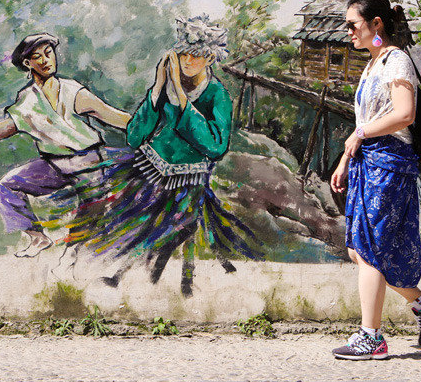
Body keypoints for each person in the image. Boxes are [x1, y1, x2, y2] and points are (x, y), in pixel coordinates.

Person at [43, 15, 264, 296]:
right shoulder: (167, 87)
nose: (187, 61)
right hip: (147, 170)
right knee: (118, 217)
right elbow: (135, 135)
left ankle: (181, 286)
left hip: (189, 182)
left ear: (209, 58)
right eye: (183, 54)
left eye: (196, 56)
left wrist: (183, 102)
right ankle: (93, 270)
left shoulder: (216, 94)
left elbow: (216, 146)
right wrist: (158, 87)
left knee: (173, 231)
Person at [0, 33, 130, 256]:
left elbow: (113, 116)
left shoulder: (71, 90)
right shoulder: (28, 99)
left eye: (49, 53)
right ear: (28, 63)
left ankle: (77, 258)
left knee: (86, 231)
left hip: (89, 162)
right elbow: (4, 127)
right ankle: (37, 238)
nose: (46, 60)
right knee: (6, 186)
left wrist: (152, 129)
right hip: (54, 166)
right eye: (38, 57)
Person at [330, 0, 421, 360]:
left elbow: (404, 114)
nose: (348, 31)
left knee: (369, 251)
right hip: (370, 163)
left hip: (390, 166)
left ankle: (371, 337)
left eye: (353, 24)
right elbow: (366, 124)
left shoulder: (396, 60)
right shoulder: (373, 64)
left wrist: (360, 135)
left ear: (376, 24)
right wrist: (347, 158)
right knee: (361, 249)